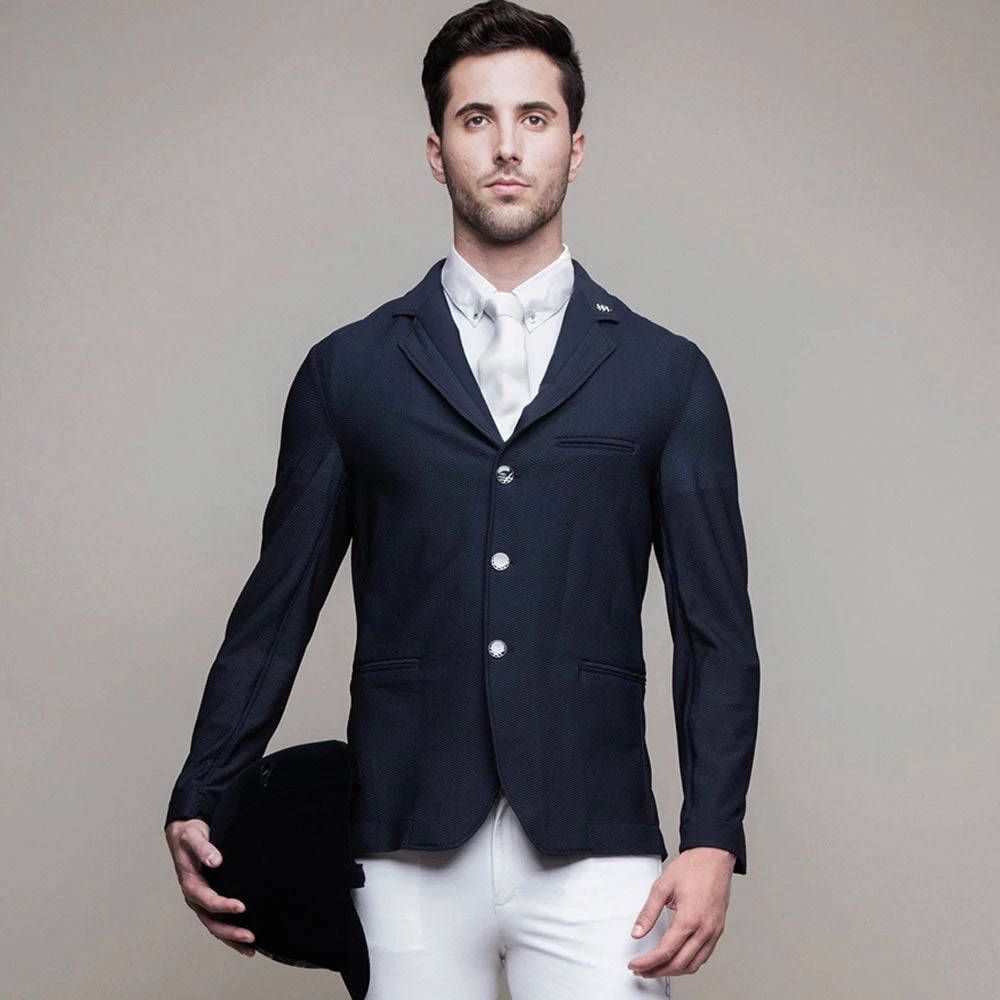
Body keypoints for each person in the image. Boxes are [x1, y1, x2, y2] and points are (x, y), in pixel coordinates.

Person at [164, 2, 761, 996]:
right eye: (476, 119)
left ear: (575, 147)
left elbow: (715, 632)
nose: (506, 146)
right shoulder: (349, 371)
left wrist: (713, 833)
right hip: (402, 843)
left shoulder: (667, 374)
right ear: (438, 152)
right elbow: (276, 609)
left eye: (534, 118)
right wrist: (204, 786)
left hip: (598, 844)